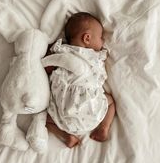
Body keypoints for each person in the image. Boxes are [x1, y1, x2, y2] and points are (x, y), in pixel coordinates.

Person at [45, 12, 116, 148]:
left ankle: (66, 136)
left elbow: (47, 67)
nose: (103, 41)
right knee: (111, 101)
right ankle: (104, 128)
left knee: (45, 119)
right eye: (100, 37)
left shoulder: (61, 51)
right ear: (87, 38)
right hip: (91, 113)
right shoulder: (96, 56)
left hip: (62, 117)